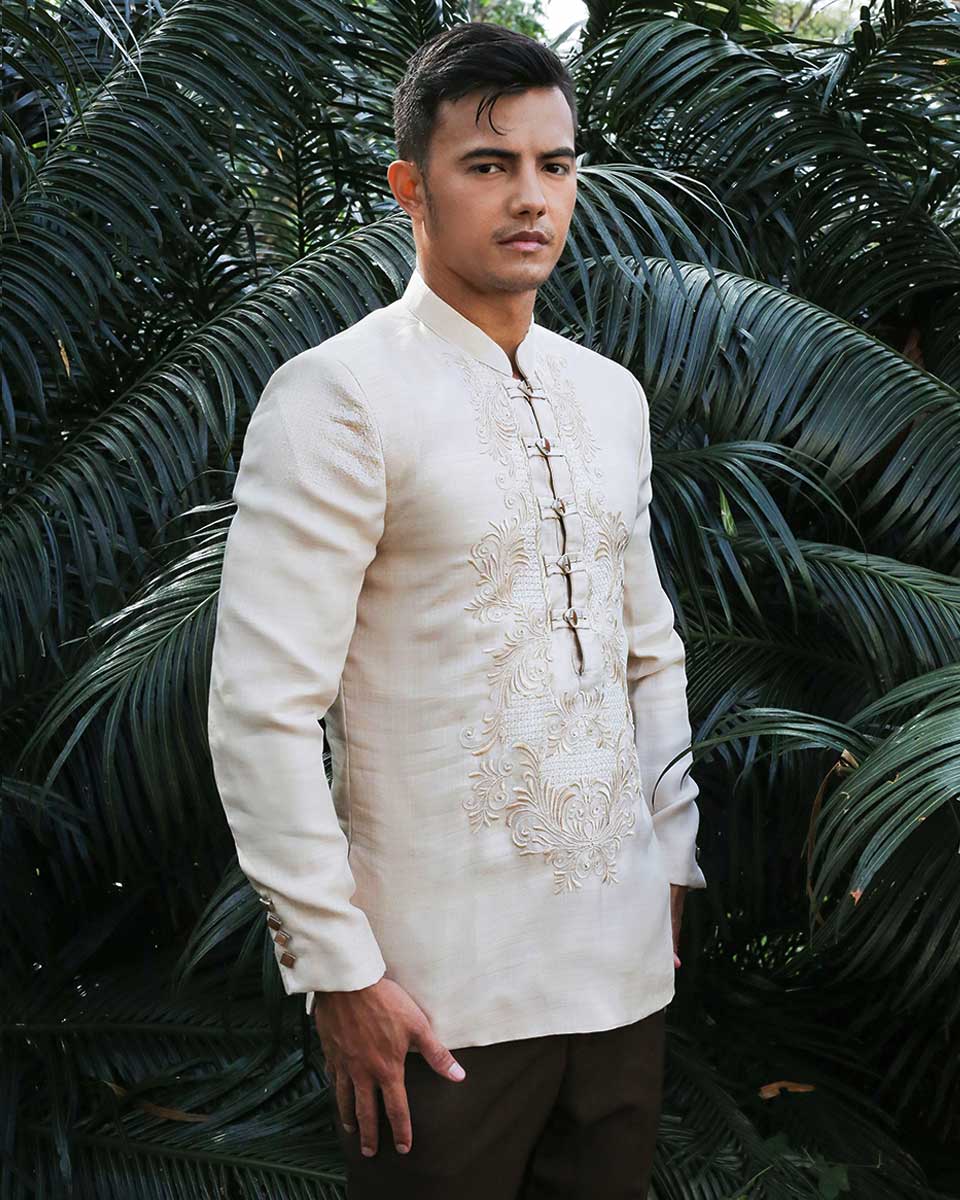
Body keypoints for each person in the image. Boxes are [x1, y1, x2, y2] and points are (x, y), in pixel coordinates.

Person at [206, 20, 707, 1198]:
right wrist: (339, 972)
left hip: (622, 976)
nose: (530, 197)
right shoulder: (338, 397)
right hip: (437, 999)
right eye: (489, 166)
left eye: (555, 163)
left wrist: (675, 872)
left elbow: (651, 654)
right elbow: (261, 711)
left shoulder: (609, 397)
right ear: (410, 187)